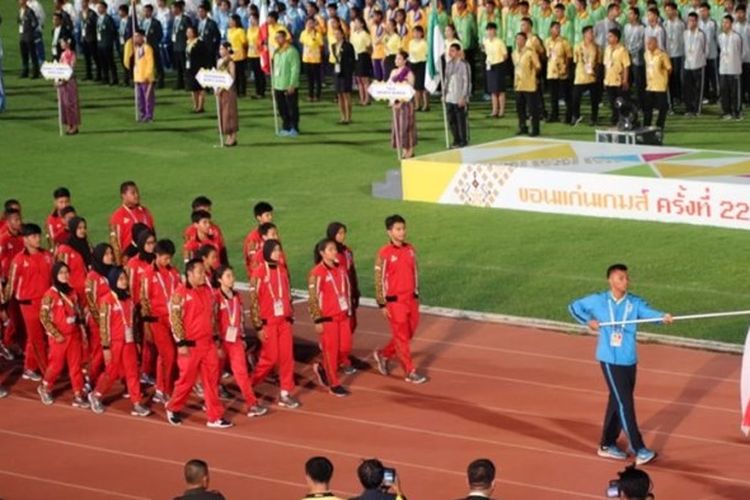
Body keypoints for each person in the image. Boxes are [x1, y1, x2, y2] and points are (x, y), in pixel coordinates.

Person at [568, 263, 673, 465]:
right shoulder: (598, 301)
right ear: (610, 280)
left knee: (617, 401)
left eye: (627, 278)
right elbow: (574, 307)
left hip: (629, 359)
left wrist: (662, 317)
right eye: (621, 278)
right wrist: (588, 321)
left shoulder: (633, 303)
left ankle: (607, 445)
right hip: (610, 359)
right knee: (625, 403)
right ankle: (639, 448)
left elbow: (649, 313)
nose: (625, 282)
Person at [165, 259, 232, 428]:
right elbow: (175, 320)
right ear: (189, 274)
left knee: (211, 380)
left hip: (207, 343)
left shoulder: (207, 291)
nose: (203, 275)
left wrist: (216, 339)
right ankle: (173, 407)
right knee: (186, 381)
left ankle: (214, 416)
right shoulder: (179, 294)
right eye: (199, 272)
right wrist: (180, 342)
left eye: (203, 272)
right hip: (190, 346)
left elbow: (213, 317)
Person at [87, 266, 151, 417]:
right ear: (114, 281)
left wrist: (136, 341)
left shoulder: (129, 300)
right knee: (111, 372)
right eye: (121, 279)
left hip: (128, 342)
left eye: (125, 278)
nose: (124, 282)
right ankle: (96, 395)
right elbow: (104, 325)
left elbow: (133, 323)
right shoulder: (107, 301)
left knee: (133, 371)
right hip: (115, 342)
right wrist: (106, 346)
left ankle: (136, 402)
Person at [373, 215, 427, 384]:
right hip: (395, 302)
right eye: (398, 229)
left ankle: (384, 354)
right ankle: (410, 371)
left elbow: (415, 271)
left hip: (411, 299)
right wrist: (382, 303)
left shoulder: (410, 249)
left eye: (403, 228)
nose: (402, 232)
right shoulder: (384, 253)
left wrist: (416, 293)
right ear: (389, 232)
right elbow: (378, 279)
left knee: (408, 332)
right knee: (402, 337)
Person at [248, 239, 300, 409]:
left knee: (287, 358)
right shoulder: (258, 274)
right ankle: (249, 384)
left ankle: (285, 393)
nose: (278, 253)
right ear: (267, 251)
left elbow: (287, 293)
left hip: (284, 321)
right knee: (270, 359)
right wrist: (258, 326)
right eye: (275, 250)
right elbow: (254, 301)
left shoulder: (282, 271)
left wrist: (290, 314)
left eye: (279, 249)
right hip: (268, 323)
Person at [215, 265, 268, 417]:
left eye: (232, 275)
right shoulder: (216, 297)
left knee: (241, 373)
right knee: (214, 374)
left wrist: (243, 336)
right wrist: (216, 342)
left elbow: (241, 319)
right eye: (228, 276)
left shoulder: (237, 296)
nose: (232, 279)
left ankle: (252, 404)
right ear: (220, 280)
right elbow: (212, 321)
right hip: (220, 342)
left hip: (235, 341)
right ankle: (211, 402)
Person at [4, 223, 54, 381]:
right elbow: (11, 285)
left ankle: (30, 367)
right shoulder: (18, 261)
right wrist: (3, 305)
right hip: (28, 305)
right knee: (37, 338)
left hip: (46, 303)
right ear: (25, 239)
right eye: (33, 236)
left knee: (43, 337)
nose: (38, 239)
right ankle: (47, 372)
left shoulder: (47, 255)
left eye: (38, 235)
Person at [37, 262, 89, 409]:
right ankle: (45, 386)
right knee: (56, 365)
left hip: (73, 335)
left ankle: (78, 393)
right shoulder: (50, 295)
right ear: (55, 275)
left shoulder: (72, 292)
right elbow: (44, 317)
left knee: (76, 365)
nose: (65, 275)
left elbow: (78, 314)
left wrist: (82, 331)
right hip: (59, 337)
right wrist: (55, 334)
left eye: (66, 272)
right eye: (61, 273)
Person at [308, 239, 353, 397]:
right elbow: (313, 298)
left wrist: (349, 310)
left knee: (345, 348)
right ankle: (334, 384)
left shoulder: (340, 268)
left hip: (343, 316)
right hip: (328, 319)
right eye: (331, 249)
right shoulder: (316, 273)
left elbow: (346, 289)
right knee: (331, 352)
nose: (335, 252)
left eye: (335, 249)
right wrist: (317, 319)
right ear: (322, 253)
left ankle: (322, 366)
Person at [141, 239, 179, 403]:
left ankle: (160, 389)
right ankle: (165, 389)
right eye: (164, 258)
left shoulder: (174, 273)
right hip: (157, 321)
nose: (167, 261)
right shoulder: (148, 274)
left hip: (173, 320)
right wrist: (147, 326)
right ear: (156, 255)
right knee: (168, 354)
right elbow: (144, 300)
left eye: (169, 258)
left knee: (166, 356)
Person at [83, 243, 114, 392]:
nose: (110, 257)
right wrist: (101, 323)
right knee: (98, 352)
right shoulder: (92, 277)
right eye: (107, 254)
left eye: (111, 253)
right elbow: (91, 302)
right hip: (98, 322)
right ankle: (91, 379)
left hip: (113, 320)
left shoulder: (112, 272)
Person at [109, 181, 155, 265]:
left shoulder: (145, 212)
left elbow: (153, 234)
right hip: (130, 261)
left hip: (149, 260)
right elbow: (115, 244)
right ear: (123, 195)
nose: (137, 195)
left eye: (137, 192)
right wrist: (119, 265)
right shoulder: (117, 217)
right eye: (133, 193)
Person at [54, 217, 92, 305]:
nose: (83, 230)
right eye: (79, 228)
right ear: (73, 228)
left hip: (87, 288)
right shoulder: (64, 249)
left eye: (84, 227)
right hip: (74, 292)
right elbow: (60, 272)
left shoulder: (86, 244)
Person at [388, 51, 417, 159]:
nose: (397, 61)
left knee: (407, 127)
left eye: (399, 59)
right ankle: (404, 149)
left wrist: (401, 101)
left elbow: (410, 90)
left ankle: (410, 150)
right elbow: (389, 87)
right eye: (396, 59)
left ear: (405, 61)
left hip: (406, 104)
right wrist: (392, 101)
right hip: (396, 105)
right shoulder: (393, 72)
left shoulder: (408, 73)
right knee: (399, 127)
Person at [571, 25, 602, 126]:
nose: (592, 35)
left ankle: (594, 117)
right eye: (590, 33)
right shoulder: (578, 46)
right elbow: (575, 60)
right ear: (584, 34)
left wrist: (596, 73)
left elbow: (599, 62)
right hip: (580, 76)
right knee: (576, 97)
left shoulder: (597, 47)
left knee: (594, 99)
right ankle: (576, 116)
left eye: (593, 33)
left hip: (593, 76)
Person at [512, 32, 542, 136]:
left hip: (529, 84)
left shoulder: (530, 52)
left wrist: (535, 76)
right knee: (520, 108)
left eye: (520, 39)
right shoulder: (514, 53)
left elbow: (538, 66)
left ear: (525, 41)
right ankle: (522, 126)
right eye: (517, 39)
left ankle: (535, 128)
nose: (518, 41)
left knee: (532, 108)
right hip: (518, 84)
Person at [273, 30, 301, 137]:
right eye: (276, 38)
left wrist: (292, 84)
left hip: (288, 84)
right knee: (281, 107)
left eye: (279, 37)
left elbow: (295, 68)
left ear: (284, 38)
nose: (277, 40)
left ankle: (294, 127)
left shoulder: (291, 51)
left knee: (292, 107)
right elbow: (275, 69)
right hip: (278, 84)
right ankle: (286, 126)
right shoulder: (276, 52)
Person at [444, 43, 472, 148]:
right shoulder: (448, 64)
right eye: (449, 51)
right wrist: (444, 93)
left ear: (459, 52)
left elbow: (467, 81)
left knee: (460, 120)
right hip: (450, 96)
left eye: (453, 50)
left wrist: (464, 97)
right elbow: (446, 80)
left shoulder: (464, 64)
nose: (450, 53)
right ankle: (456, 139)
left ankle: (463, 140)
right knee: (451, 119)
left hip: (459, 96)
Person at [546, 21, 573, 123]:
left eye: (559, 28)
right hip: (551, 71)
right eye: (556, 28)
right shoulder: (548, 41)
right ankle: (554, 114)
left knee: (566, 95)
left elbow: (569, 56)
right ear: (551, 29)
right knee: (553, 95)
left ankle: (568, 115)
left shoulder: (564, 41)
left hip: (562, 71)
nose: (558, 30)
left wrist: (566, 67)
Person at [643, 36, 672, 129]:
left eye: (650, 43)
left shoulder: (662, 55)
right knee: (647, 107)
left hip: (660, 85)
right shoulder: (646, 54)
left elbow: (669, 68)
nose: (648, 45)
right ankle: (646, 124)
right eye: (647, 43)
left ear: (656, 44)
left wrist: (664, 77)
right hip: (650, 85)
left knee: (663, 107)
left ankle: (660, 124)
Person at [603, 28, 631, 125]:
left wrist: (625, 80)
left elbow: (626, 66)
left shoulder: (622, 50)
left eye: (610, 36)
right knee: (612, 102)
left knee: (621, 102)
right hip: (609, 80)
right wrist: (605, 78)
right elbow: (606, 65)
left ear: (616, 38)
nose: (608, 38)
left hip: (619, 80)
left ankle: (624, 119)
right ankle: (615, 119)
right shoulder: (607, 49)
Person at [718, 15, 743, 120]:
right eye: (723, 22)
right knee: (724, 92)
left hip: (734, 69)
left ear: (731, 24)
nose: (724, 24)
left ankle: (737, 112)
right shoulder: (720, 37)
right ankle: (726, 112)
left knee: (735, 92)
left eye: (726, 22)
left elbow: (741, 52)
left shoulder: (737, 37)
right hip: (723, 69)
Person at [683, 12, 707, 116]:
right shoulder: (685, 33)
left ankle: (697, 109)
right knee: (688, 88)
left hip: (698, 64)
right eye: (689, 20)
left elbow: (706, 49)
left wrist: (701, 60)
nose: (691, 23)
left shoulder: (701, 34)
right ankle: (689, 109)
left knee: (698, 88)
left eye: (693, 20)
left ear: (697, 22)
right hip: (688, 64)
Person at [216, 42, 240, 147]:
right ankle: (227, 135)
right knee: (223, 113)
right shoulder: (219, 61)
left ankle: (233, 137)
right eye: (220, 49)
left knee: (229, 113)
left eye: (222, 49)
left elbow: (231, 77)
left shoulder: (230, 62)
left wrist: (222, 88)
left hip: (228, 90)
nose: (220, 51)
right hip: (220, 90)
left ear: (227, 49)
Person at [56, 37, 81, 135]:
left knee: (71, 103)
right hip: (63, 82)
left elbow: (71, 68)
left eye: (63, 42)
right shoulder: (62, 55)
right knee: (64, 103)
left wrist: (64, 79)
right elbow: (59, 67)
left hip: (69, 81)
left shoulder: (72, 54)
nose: (61, 44)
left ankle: (74, 126)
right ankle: (68, 125)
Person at [243, 201, 274, 278]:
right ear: (259, 218)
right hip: (261, 278)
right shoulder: (252, 238)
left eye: (271, 214)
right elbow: (252, 262)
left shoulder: (273, 233)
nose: (270, 217)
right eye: (267, 215)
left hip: (273, 275)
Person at [483, 23, 507, 119]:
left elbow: (505, 55)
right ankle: (494, 110)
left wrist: (500, 63)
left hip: (498, 65)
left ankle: (501, 111)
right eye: (488, 30)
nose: (490, 32)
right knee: (492, 90)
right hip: (490, 65)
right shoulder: (486, 42)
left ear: (495, 31)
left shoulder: (500, 42)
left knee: (500, 90)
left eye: (491, 30)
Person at [664, 3, 686, 110]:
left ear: (675, 11)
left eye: (669, 10)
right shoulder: (665, 24)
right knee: (670, 78)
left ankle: (680, 97)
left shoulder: (681, 24)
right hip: (668, 54)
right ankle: (672, 98)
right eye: (666, 10)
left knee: (678, 77)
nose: (668, 12)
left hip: (679, 54)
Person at [332, 26, 355, 125]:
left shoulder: (348, 46)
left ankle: (348, 117)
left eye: (338, 34)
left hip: (346, 72)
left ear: (342, 34)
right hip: (337, 71)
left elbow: (352, 59)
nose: (336, 36)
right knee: (339, 94)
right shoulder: (333, 45)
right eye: (335, 34)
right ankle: (342, 116)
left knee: (346, 94)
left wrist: (349, 70)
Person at [185, 26, 210, 113]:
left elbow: (205, 56)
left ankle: (200, 106)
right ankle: (195, 106)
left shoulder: (200, 43)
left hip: (199, 68)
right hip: (190, 68)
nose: (188, 34)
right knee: (193, 88)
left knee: (200, 88)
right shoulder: (188, 42)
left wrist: (204, 67)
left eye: (189, 32)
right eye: (187, 32)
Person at [133, 29, 156, 123]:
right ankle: (142, 115)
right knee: (140, 98)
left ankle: (149, 115)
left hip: (146, 78)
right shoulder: (137, 49)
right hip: (138, 77)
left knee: (148, 98)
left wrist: (148, 75)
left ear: (142, 37)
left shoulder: (147, 48)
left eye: (137, 36)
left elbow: (150, 63)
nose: (135, 39)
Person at [699, 3, 719, 103]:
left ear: (708, 11)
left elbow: (717, 38)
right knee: (704, 77)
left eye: (704, 11)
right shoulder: (698, 23)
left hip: (712, 54)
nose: (702, 13)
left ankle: (717, 96)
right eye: (701, 11)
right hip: (702, 56)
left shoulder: (713, 23)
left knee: (714, 77)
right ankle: (705, 96)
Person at [300, 17, 324, 102]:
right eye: (308, 23)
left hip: (316, 59)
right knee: (309, 79)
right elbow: (302, 42)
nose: (310, 25)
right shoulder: (303, 33)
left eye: (311, 23)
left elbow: (321, 45)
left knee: (317, 78)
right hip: (306, 59)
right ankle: (310, 95)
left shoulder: (317, 34)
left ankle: (317, 95)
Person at [351, 17, 373, 107]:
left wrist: (367, 54)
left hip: (363, 56)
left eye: (357, 22)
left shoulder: (365, 34)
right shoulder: (354, 34)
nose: (355, 24)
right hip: (356, 56)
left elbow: (369, 47)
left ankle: (367, 98)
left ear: (362, 24)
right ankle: (361, 98)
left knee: (365, 79)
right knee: (358, 79)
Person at [142, 4, 165, 89]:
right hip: (144, 47)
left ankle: (160, 81)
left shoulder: (156, 23)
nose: (145, 13)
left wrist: (155, 42)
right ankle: (149, 79)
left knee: (157, 64)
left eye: (147, 11)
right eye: (144, 11)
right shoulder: (142, 22)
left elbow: (160, 34)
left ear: (151, 12)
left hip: (153, 46)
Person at [172, 0, 192, 90]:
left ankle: (188, 84)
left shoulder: (185, 19)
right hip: (176, 46)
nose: (172, 10)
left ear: (178, 9)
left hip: (183, 46)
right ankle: (179, 83)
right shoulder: (175, 19)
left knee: (185, 67)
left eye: (173, 8)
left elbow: (189, 32)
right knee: (179, 67)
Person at [18, 0, 41, 79]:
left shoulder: (29, 11)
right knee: (24, 54)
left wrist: (30, 30)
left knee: (32, 54)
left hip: (29, 35)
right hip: (22, 35)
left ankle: (35, 72)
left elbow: (35, 22)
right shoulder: (21, 10)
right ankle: (25, 70)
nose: (19, 2)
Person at [408, 25, 428, 112]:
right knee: (415, 86)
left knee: (422, 86)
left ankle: (426, 104)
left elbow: (426, 54)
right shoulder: (411, 42)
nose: (416, 34)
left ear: (422, 33)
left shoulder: (424, 43)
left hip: (421, 64)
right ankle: (417, 104)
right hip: (412, 64)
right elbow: (410, 54)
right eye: (414, 32)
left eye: (418, 32)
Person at [227, 14, 247, 97]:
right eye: (230, 21)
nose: (230, 22)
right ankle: (236, 90)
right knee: (233, 73)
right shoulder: (229, 31)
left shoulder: (240, 31)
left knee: (240, 73)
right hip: (231, 54)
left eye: (231, 21)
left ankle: (242, 91)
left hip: (239, 54)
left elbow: (244, 42)